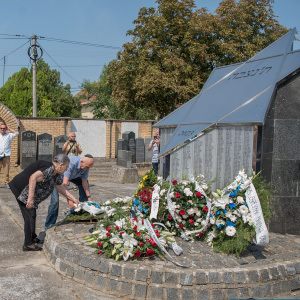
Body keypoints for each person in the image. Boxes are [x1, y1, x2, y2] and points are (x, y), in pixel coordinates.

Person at [9, 154, 80, 251]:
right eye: (66, 167)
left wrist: (73, 198)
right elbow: (33, 178)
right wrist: (30, 198)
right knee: (30, 215)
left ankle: (32, 237)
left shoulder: (56, 173)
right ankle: (28, 244)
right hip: (21, 189)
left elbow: (60, 187)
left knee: (31, 215)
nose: (66, 170)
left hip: (27, 192)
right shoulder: (49, 168)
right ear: (61, 165)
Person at [44, 154, 94, 231]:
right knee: (55, 201)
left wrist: (89, 198)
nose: (88, 169)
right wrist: (70, 201)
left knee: (83, 185)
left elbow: (84, 183)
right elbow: (64, 184)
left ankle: (83, 211)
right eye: (87, 166)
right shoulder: (71, 163)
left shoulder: (85, 167)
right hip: (57, 177)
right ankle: (49, 225)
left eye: (89, 167)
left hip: (72, 177)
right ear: (82, 161)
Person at [0, 123, 19, 188]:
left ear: (6, 129)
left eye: (4, 128)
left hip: (6, 155)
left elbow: (17, 133)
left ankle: (6, 183)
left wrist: (9, 128)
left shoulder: (9, 135)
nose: (2, 129)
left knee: (6, 170)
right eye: (1, 128)